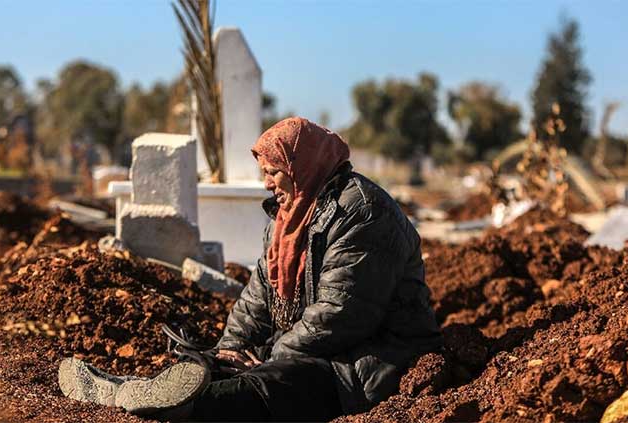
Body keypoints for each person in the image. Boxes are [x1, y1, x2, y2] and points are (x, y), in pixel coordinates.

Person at [58, 117, 442, 422]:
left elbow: (341, 314)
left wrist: (272, 356)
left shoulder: (363, 213)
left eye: (274, 171)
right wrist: (231, 349)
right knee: (213, 363)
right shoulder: (290, 213)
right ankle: (126, 390)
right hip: (310, 346)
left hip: (365, 362)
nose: (267, 183)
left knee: (267, 383)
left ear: (301, 164)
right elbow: (257, 295)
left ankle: (169, 409)